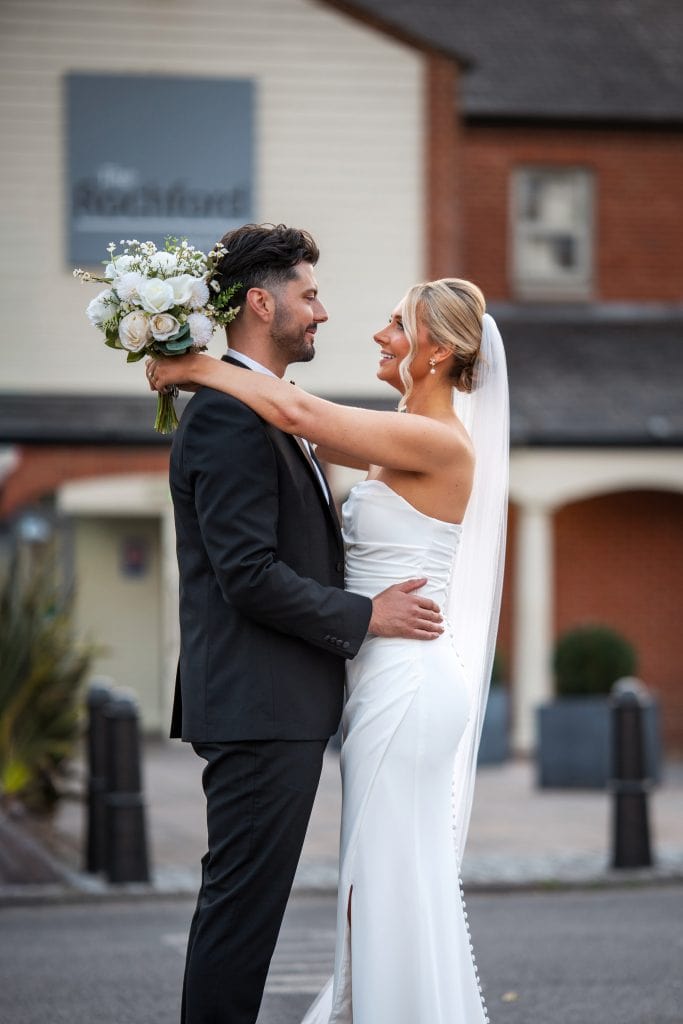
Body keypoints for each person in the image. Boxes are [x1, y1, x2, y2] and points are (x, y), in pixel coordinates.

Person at [148, 272, 509, 1023]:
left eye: (397, 327)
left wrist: (191, 364)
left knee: (383, 884)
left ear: (437, 353)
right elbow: (288, 433)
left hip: (404, 680)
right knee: (374, 883)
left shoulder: (431, 440)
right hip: (377, 680)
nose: (377, 335)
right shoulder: (399, 430)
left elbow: (295, 409)